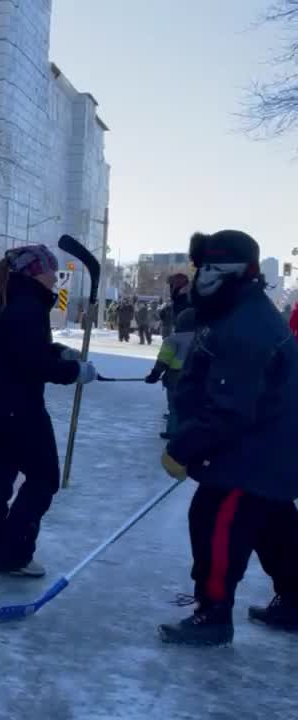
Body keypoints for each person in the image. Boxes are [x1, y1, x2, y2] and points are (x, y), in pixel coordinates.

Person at [154, 230, 298, 646]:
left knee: (216, 520)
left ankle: (213, 613)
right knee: (275, 523)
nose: (199, 277)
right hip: (270, 451)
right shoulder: (237, 313)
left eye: (206, 269)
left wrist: (182, 448)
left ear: (227, 272)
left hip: (252, 454)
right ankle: (296, 600)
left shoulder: (245, 328)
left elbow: (230, 409)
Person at [0, 245, 97, 577]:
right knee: (43, 478)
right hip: (18, 407)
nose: (54, 277)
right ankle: (13, 554)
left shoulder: (9, 300)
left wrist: (58, 351)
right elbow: (30, 362)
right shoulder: (27, 306)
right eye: (49, 271)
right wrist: (73, 372)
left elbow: (16, 350)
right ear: (33, 273)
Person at [146, 308, 195, 440]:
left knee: (174, 407)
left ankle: (173, 432)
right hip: (196, 377)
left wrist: (154, 374)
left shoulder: (173, 340)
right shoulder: (203, 337)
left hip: (175, 377)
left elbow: (164, 359)